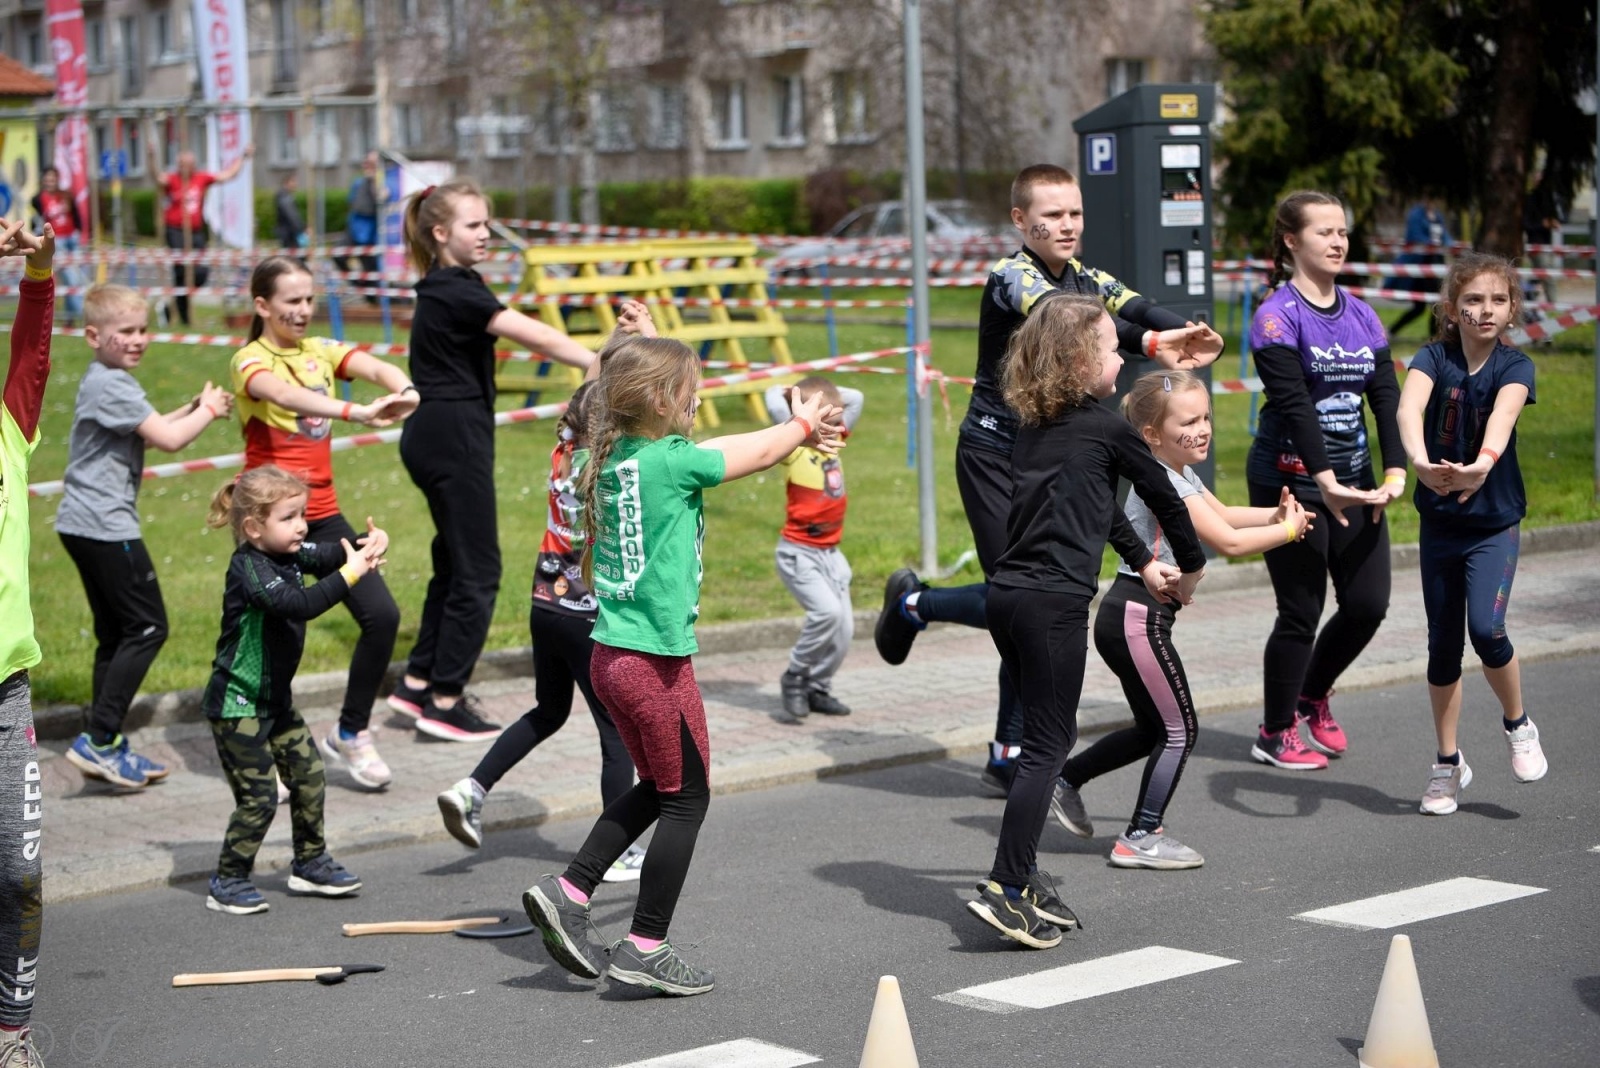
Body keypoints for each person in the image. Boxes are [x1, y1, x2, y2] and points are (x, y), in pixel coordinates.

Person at [872, 163, 1223, 796]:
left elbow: (1132, 303)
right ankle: (914, 606)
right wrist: (1149, 340)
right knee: (1020, 595)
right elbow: (1068, 323)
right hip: (992, 452)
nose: (1066, 225)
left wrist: (1187, 330)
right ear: (1019, 220)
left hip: (1050, 454)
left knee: (1037, 598)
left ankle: (1006, 747)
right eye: (1052, 215)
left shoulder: (1085, 276)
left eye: (1074, 214)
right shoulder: (1013, 277)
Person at [521, 334, 843, 996]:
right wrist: (803, 423)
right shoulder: (672, 463)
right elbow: (755, 454)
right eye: (692, 386)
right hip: (654, 666)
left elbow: (732, 447)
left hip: (611, 657)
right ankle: (645, 946)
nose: (700, 396)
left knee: (662, 786)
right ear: (666, 399)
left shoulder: (613, 457)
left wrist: (792, 423)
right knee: (687, 798)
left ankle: (569, 890)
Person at [967, 296, 1205, 949]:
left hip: (1008, 597)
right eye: (1110, 348)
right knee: (1048, 747)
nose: (1122, 356)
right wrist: (1188, 567)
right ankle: (1005, 887)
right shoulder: (1107, 428)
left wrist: (1138, 561)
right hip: (1052, 606)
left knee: (1041, 741)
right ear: (1078, 361)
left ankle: (1022, 872)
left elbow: (1099, 509)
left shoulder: (1034, 428)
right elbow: (1166, 500)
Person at [1051, 370, 1311, 870]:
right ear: (1151, 436)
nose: (1203, 428)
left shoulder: (1178, 473)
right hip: (1136, 618)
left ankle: (1066, 780)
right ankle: (1141, 835)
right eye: (1188, 421)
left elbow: (1229, 516)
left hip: (1129, 617)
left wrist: (1276, 515)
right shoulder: (1163, 479)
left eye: (1206, 417)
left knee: (1153, 728)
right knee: (1180, 729)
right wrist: (1287, 531)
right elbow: (1228, 543)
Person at [384, 179, 598, 742]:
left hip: (433, 432)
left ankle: (416, 685)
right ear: (440, 232)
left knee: (454, 564)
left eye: (486, 223)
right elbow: (527, 332)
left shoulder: (446, 284)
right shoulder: (457, 288)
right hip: (453, 436)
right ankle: (445, 701)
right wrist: (597, 360)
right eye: (474, 225)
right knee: (480, 572)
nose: (486, 235)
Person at [436, 377, 648, 882]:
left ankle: (473, 789)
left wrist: (628, 337)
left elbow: (596, 381)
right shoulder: (611, 467)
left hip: (545, 605)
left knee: (549, 711)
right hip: (586, 613)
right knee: (615, 731)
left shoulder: (563, 449)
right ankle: (618, 852)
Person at [230, 255, 416, 789]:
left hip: (325, 515)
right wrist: (358, 413)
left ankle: (350, 733)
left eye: (309, 299)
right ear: (262, 306)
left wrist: (403, 389)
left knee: (381, 616)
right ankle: (267, 751)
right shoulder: (249, 359)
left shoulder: (322, 351)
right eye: (292, 301)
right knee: (275, 640)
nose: (304, 310)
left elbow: (376, 367)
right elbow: (285, 396)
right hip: (268, 522)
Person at [1246, 190, 1404, 771]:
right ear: (1292, 241)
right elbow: (1294, 407)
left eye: (1343, 232)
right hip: (1290, 481)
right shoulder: (1275, 315)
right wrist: (1324, 479)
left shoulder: (1362, 313)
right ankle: (1274, 730)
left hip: (1356, 481)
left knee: (1368, 604)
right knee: (1300, 611)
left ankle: (1312, 695)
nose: (1338, 241)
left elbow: (1385, 398)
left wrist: (1393, 471)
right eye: (1324, 232)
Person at [56, 284, 234, 790]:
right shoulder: (111, 384)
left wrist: (192, 406)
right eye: (125, 332)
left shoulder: (106, 379)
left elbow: (150, 428)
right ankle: (99, 738)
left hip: (81, 524)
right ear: (93, 335)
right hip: (106, 527)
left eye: (142, 330)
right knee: (148, 627)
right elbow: (170, 439)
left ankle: (104, 741)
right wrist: (209, 410)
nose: (138, 340)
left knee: (116, 634)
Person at [1396, 252, 1546, 815]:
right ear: (1452, 310)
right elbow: (1410, 409)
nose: (1485, 311)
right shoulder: (1433, 356)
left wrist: (1482, 463)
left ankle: (1518, 724)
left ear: (1511, 310)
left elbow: (1503, 419)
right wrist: (1416, 460)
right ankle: (1447, 763)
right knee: (1442, 646)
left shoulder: (1516, 366)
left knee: (1486, 629)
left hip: (1493, 524)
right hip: (1441, 524)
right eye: (1473, 301)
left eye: (1497, 301)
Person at [200, 466, 382, 915]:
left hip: (275, 702)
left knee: (309, 775)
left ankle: (310, 862)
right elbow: (299, 604)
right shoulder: (250, 569)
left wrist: (369, 543)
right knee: (259, 797)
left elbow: (329, 555)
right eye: (289, 517)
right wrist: (353, 575)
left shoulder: (290, 555)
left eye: (302, 514)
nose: (302, 525)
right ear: (253, 527)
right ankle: (228, 879)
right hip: (237, 703)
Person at [0, 219, 57, 1066]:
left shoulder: (9, 423)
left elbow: (35, 336)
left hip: (6, 689)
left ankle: (12, 1035)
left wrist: (35, 254)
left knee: (18, 874)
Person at [764, 377, 864, 721]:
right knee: (828, 615)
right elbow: (771, 399)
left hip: (831, 553)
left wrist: (826, 398)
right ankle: (794, 677)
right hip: (799, 552)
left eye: (838, 422)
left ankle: (817, 687)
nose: (838, 429)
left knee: (844, 630)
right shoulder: (795, 445)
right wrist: (791, 393)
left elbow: (857, 396)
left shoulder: (835, 439)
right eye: (830, 423)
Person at [147, 143, 254, 326]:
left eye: (188, 164)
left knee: (201, 272)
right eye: (181, 165)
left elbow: (228, 175)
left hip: (195, 231)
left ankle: (174, 303)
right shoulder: (173, 180)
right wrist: (151, 158)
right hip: (175, 230)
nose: (185, 168)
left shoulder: (201, 178)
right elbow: (157, 177)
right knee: (181, 271)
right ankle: (183, 317)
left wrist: (243, 157)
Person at [1387, 197, 1452, 338]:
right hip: (1420, 264)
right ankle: (1433, 337)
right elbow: (1414, 236)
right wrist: (1431, 245)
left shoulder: (1438, 216)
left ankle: (1393, 331)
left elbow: (1444, 236)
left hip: (1435, 262)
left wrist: (1448, 244)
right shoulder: (1416, 214)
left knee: (1424, 306)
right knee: (1432, 303)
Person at [30, 166, 83, 325]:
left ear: (57, 179)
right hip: (57, 241)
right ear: (43, 180)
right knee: (70, 278)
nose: (50, 181)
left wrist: (79, 232)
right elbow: (36, 220)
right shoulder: (38, 199)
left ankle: (69, 318)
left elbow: (76, 215)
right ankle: (84, 315)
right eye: (47, 178)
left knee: (75, 280)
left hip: (72, 238)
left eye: (52, 178)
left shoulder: (66, 195)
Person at [348, 153, 386, 303]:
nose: (366, 166)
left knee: (371, 268)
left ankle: (373, 300)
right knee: (341, 256)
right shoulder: (359, 182)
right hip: (356, 230)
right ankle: (362, 286)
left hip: (371, 234)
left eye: (370, 163)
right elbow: (354, 204)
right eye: (366, 162)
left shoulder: (381, 182)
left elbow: (380, 203)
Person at [274, 173, 307, 255]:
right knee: (295, 258)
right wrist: (302, 228)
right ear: (287, 183)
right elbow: (292, 215)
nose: (296, 184)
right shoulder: (285, 197)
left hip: (288, 232)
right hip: (289, 233)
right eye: (294, 182)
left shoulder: (284, 196)